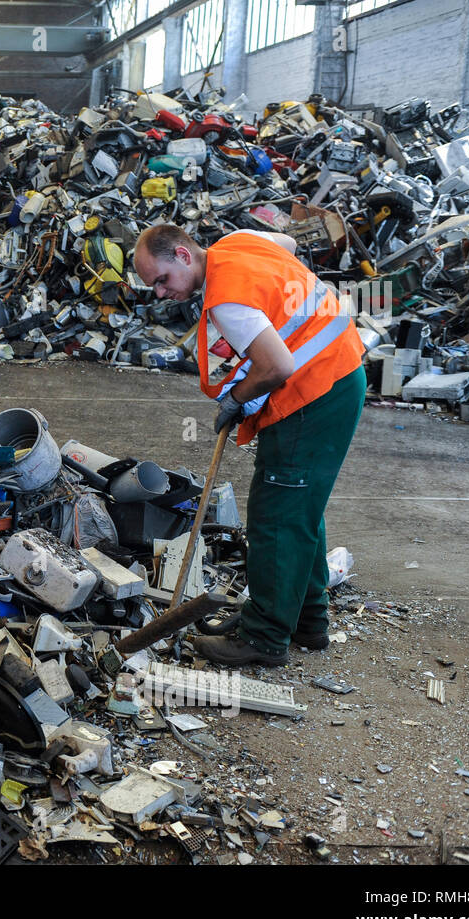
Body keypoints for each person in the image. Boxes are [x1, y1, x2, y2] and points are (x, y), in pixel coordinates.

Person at [132, 224, 366, 667]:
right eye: (153, 287)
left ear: (184, 255)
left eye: (162, 280)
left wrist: (237, 398)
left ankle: (264, 638)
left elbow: (277, 365)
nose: (161, 293)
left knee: (275, 515)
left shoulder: (227, 301)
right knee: (300, 507)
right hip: (341, 369)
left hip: (313, 394)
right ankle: (308, 621)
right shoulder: (238, 242)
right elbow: (288, 245)